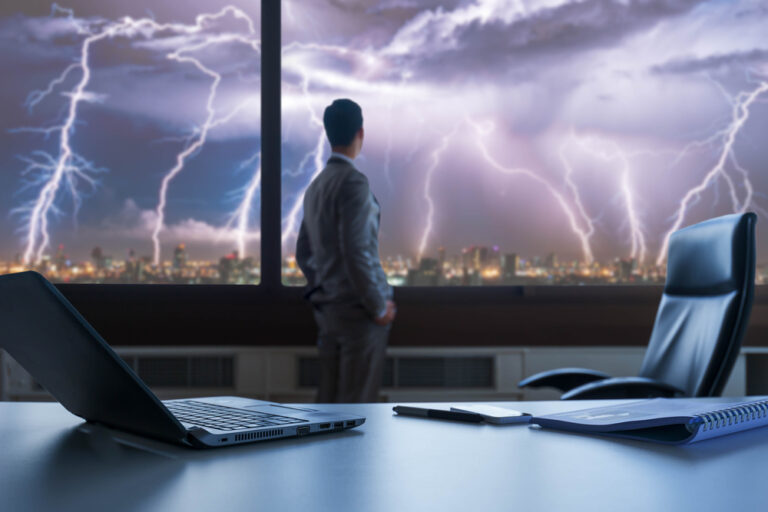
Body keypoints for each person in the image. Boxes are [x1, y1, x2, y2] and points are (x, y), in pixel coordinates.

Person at [296, 98, 396, 403]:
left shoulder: (316, 186)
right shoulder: (354, 183)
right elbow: (357, 253)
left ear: (328, 135)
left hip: (329, 313)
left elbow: (303, 252)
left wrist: (326, 289)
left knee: (329, 407)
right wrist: (378, 306)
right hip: (358, 315)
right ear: (360, 133)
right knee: (357, 407)